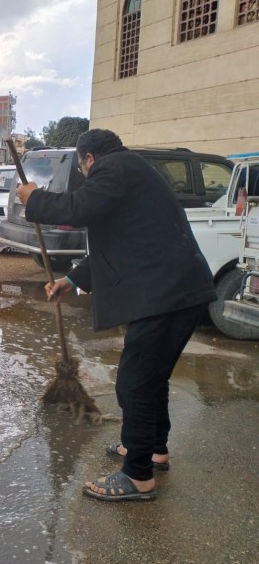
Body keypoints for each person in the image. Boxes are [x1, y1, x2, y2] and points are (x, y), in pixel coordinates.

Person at [16, 129, 215, 502]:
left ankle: (138, 477)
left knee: (135, 382)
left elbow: (77, 209)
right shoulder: (132, 172)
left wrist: (35, 198)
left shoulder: (115, 168)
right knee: (150, 379)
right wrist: (72, 280)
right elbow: (118, 244)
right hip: (175, 290)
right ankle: (152, 451)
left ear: (89, 158)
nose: (85, 176)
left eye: (82, 169)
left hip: (166, 294)